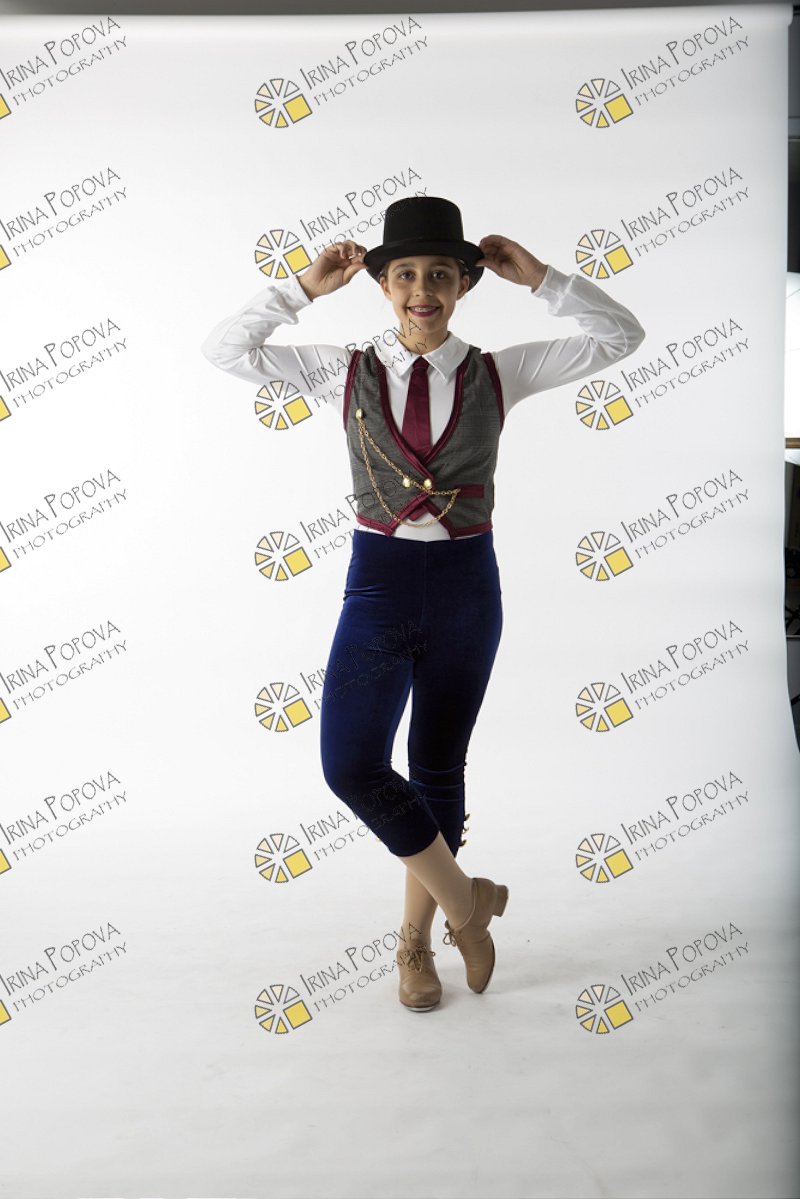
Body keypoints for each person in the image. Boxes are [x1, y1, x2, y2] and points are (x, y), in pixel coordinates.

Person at [201, 196, 645, 1012]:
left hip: (468, 588)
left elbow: (622, 336)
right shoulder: (342, 369)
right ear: (382, 285)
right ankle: (469, 905)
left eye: (440, 275)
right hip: (379, 582)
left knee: (439, 763)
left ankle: (415, 944)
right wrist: (302, 288)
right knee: (351, 765)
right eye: (404, 274)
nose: (421, 291)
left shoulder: (500, 372)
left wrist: (542, 278)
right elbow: (225, 348)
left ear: (465, 285)